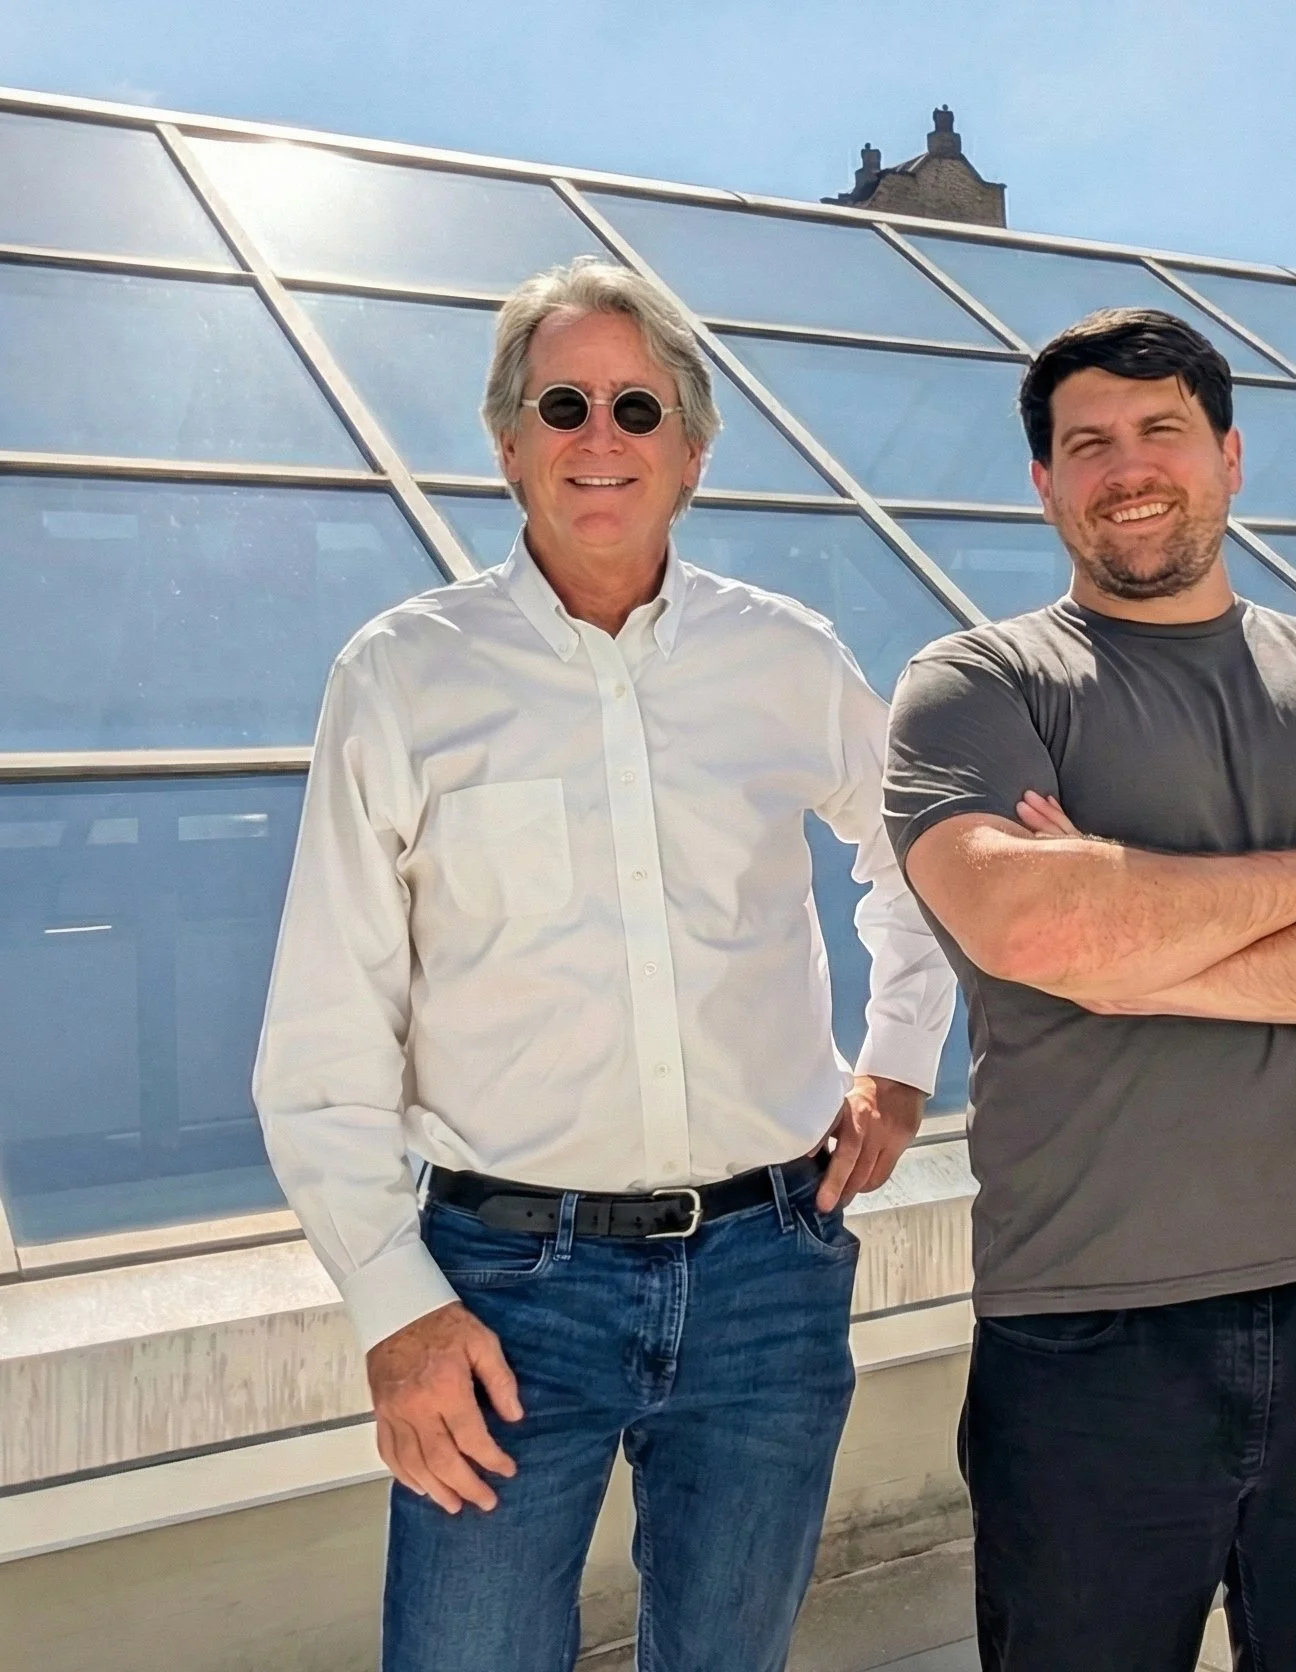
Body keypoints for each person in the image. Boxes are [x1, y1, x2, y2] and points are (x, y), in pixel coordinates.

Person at [253, 257, 954, 1672]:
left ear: (692, 451)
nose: (599, 437)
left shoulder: (786, 659)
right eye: (560, 402)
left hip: (768, 1277)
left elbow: (915, 863)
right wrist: (397, 1312)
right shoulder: (402, 678)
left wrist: (897, 1066)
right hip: (501, 1294)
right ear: (506, 441)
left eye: (638, 408)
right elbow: (326, 1032)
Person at [882, 307, 1296, 1671]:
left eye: (1162, 429)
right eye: (1088, 444)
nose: (1129, 467)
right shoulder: (975, 683)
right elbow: (1031, 930)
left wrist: (1137, 948)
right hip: (1084, 1332)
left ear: (1229, 455)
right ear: (1044, 484)